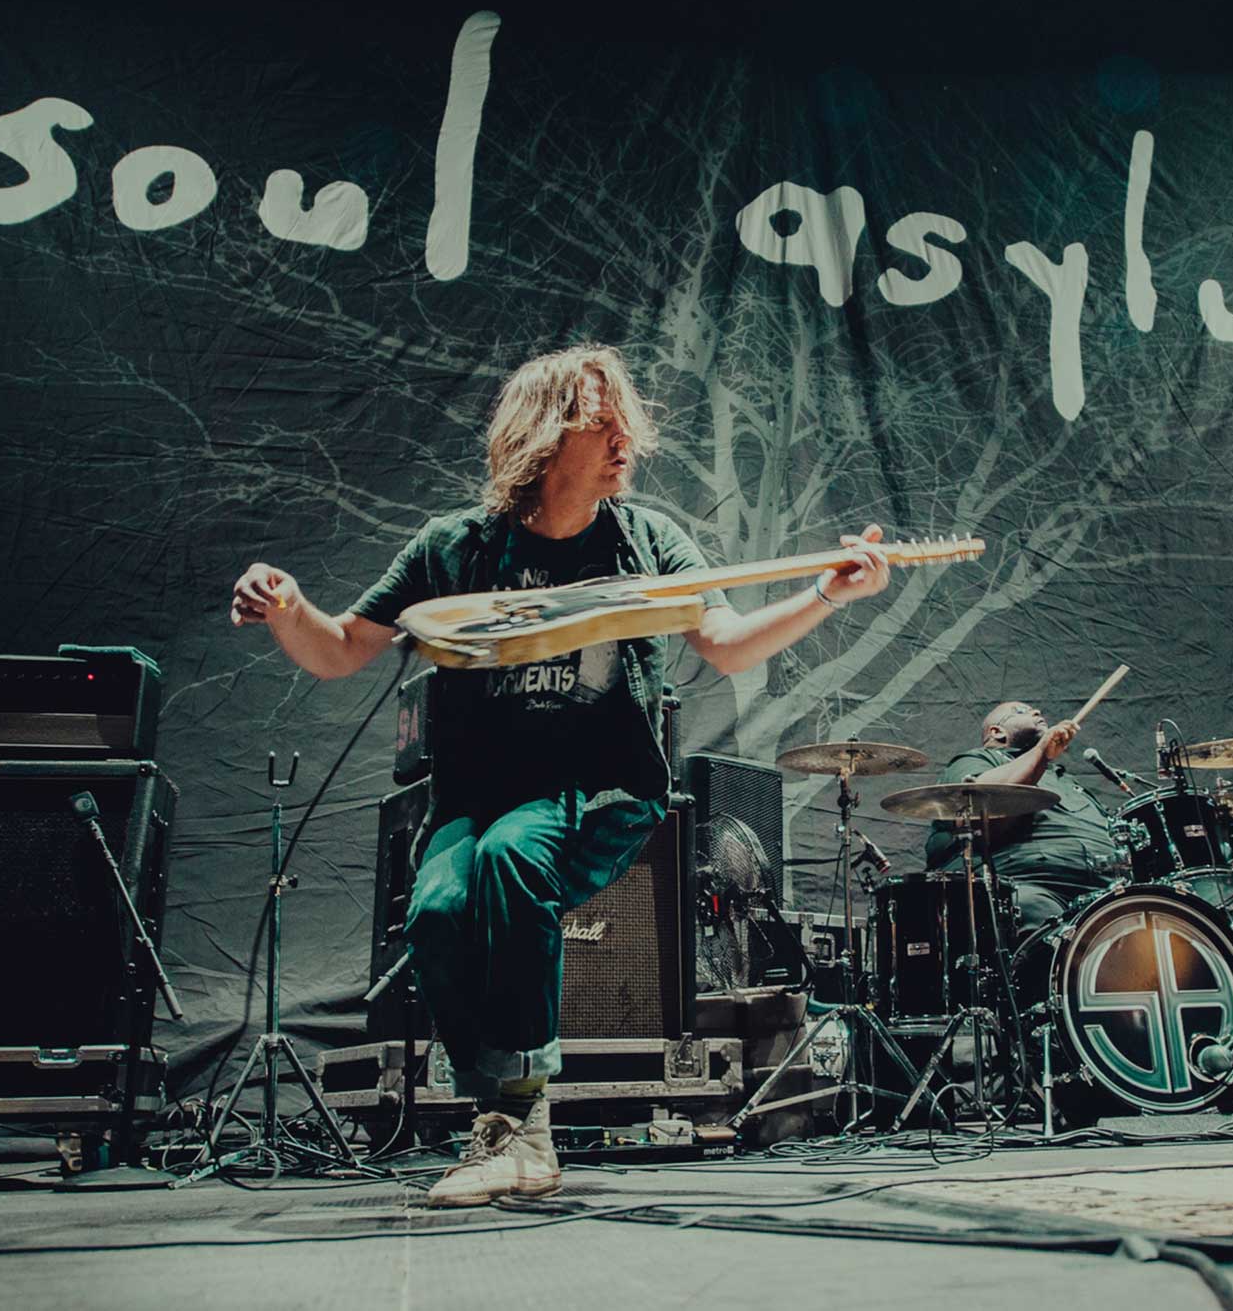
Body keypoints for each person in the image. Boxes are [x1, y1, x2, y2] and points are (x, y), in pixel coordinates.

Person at [230, 344, 891, 1205]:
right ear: (543, 435)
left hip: (603, 788)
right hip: (477, 797)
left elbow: (728, 644)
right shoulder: (454, 550)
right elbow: (342, 647)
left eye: (626, 423)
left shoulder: (646, 543)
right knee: (436, 909)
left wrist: (827, 593)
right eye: (600, 422)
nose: (624, 440)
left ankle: (524, 1127)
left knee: (513, 855)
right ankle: (497, 1118)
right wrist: (287, 607)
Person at [922, 702, 1119, 936]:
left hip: (1107, 887)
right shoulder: (978, 760)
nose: (1037, 712)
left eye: (1037, 710)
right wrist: (1041, 752)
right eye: (1021, 711)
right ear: (997, 732)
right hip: (1032, 885)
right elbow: (980, 803)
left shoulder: (1066, 780)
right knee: (1038, 918)